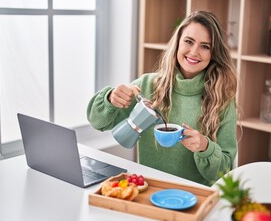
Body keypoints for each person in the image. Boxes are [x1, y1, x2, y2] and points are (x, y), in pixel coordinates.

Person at [87, 10, 238, 186]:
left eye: (205, 46)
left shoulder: (222, 99)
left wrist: (205, 147)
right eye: (189, 41)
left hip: (194, 198)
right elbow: (97, 123)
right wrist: (110, 98)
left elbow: (225, 172)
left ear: (214, 53)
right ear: (177, 44)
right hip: (147, 190)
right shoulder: (147, 85)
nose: (194, 52)